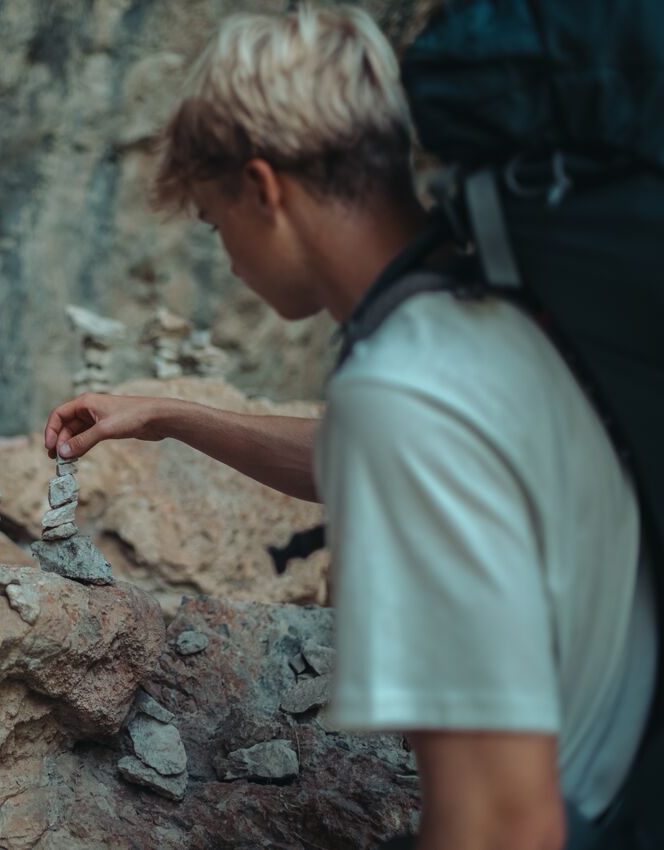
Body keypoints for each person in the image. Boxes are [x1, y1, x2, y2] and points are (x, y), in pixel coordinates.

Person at [43, 6, 657, 850]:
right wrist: (168, 415)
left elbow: (504, 822)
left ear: (263, 188)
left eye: (218, 224)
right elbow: (366, 459)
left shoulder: (402, 393)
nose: (226, 258)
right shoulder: (483, 310)